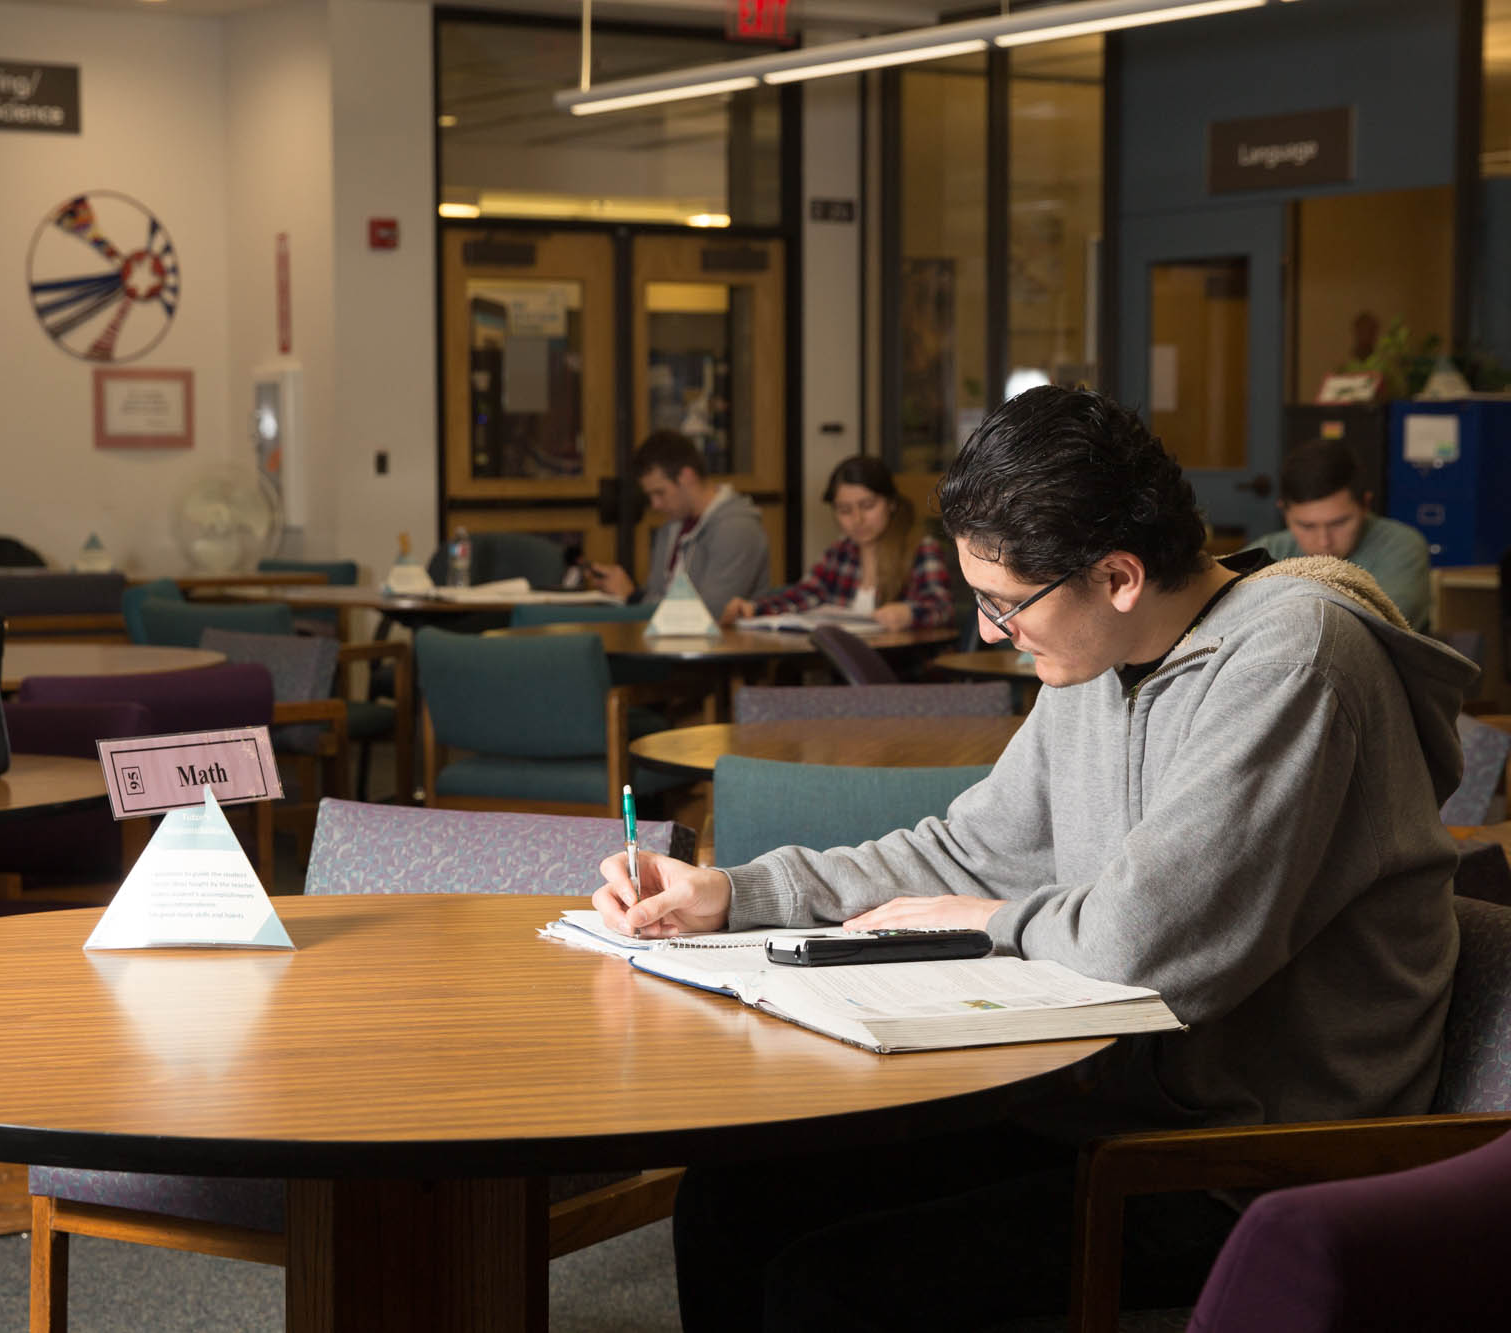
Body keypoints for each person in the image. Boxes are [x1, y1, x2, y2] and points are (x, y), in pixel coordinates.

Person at [593, 386, 1474, 1332]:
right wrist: (737, 890)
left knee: (833, 1288)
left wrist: (988, 923)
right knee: (730, 1202)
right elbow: (967, 849)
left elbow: (1148, 948)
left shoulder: (1290, 664)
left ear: (1120, 575)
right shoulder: (1100, 659)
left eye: (1003, 604)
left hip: (1249, 1158)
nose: (985, 632)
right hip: (1109, 1100)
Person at [719, 455, 953, 630]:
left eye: (868, 506)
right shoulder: (841, 552)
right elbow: (805, 595)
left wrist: (909, 614)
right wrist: (754, 608)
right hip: (842, 676)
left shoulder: (920, 547)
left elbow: (941, 607)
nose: (857, 519)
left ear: (891, 503)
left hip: (902, 675)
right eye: (844, 510)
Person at [1246, 439, 1431, 630]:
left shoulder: (1402, 547)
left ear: (1365, 505)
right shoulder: (1265, 551)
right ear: (1284, 512)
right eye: (1307, 526)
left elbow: (1380, 632)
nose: (1324, 541)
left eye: (1339, 523)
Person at [587, 431, 770, 619]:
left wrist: (633, 597)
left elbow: (712, 612)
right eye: (650, 496)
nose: (655, 505)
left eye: (660, 493)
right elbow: (658, 596)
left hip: (723, 645)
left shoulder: (737, 528)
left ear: (687, 476)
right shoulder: (671, 527)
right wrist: (629, 594)